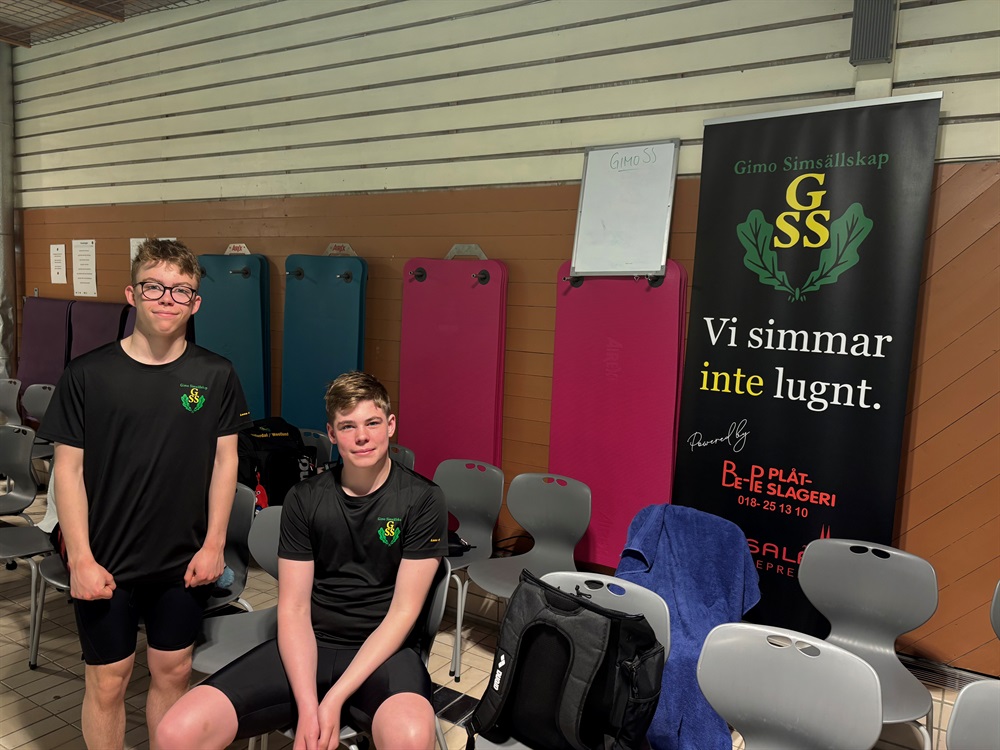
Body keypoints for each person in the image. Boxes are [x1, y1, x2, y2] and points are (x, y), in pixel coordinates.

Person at [158, 371, 447, 750]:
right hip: (309, 644)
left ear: (390, 425)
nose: (362, 436)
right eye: (348, 426)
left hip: (383, 653)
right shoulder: (305, 497)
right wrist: (308, 706)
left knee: (410, 737)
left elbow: (403, 613)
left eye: (372, 423)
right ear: (331, 433)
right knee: (176, 731)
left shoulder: (422, 499)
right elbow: (293, 609)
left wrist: (334, 699)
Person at [40, 238, 251, 750]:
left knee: (173, 671)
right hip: (106, 557)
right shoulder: (87, 374)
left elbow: (226, 462)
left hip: (183, 558)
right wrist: (81, 559)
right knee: (108, 681)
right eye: (154, 286)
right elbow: (67, 471)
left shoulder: (216, 374)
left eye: (181, 290)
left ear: (196, 303)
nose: (167, 299)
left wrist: (214, 545)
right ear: (131, 294)